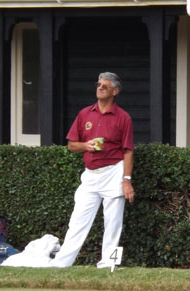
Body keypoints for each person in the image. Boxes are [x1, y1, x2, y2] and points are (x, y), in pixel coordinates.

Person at [50, 72, 135, 268]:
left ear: (115, 91)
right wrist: (86, 146)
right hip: (90, 174)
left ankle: (108, 264)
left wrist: (126, 180)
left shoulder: (123, 118)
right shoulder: (85, 114)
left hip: (114, 171)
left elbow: (128, 151)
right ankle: (62, 263)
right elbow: (71, 145)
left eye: (105, 86)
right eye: (99, 84)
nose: (100, 88)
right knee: (78, 220)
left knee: (113, 223)